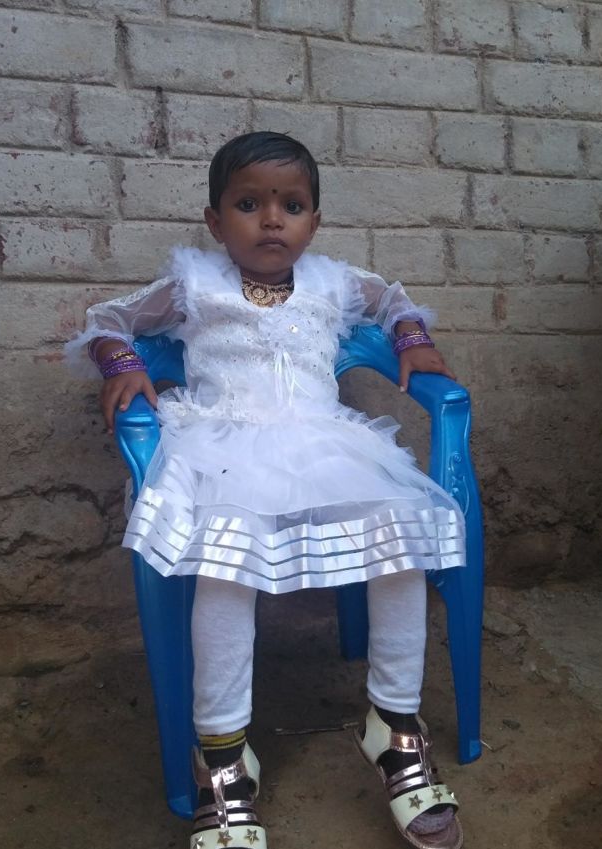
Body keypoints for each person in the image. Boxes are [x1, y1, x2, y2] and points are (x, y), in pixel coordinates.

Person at [67, 132, 466, 849]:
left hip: (327, 444)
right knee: (224, 565)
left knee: (401, 533)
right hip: (225, 450)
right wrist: (121, 362)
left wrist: (412, 337)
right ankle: (223, 756)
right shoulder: (194, 283)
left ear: (315, 221)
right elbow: (108, 318)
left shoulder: (334, 282)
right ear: (216, 220)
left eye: (292, 205)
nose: (272, 219)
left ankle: (396, 723)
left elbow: (394, 301)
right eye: (249, 204)